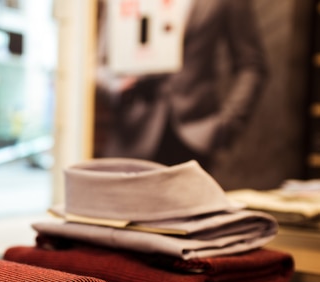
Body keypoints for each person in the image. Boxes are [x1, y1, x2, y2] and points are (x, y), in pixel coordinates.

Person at [94, 0, 269, 172]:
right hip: (130, 135)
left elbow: (252, 66)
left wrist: (226, 124)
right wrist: (117, 87)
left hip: (195, 134)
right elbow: (99, 67)